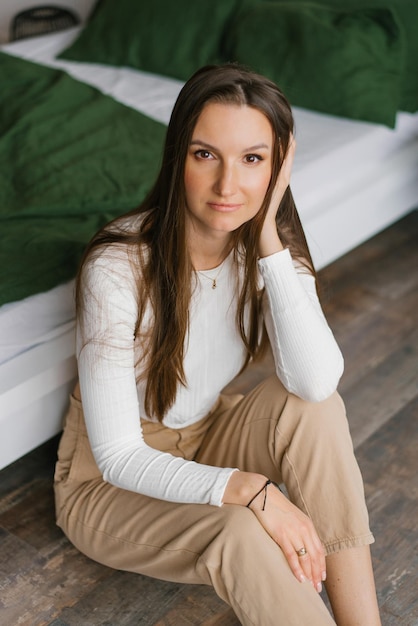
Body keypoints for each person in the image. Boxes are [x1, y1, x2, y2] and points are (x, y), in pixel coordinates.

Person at [54, 64, 382, 625]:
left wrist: (269, 241)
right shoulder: (118, 266)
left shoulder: (267, 250)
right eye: (206, 154)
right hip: (106, 484)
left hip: (206, 436)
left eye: (253, 159)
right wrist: (253, 492)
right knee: (240, 529)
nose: (228, 186)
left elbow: (316, 382)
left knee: (317, 409)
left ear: (277, 168)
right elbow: (117, 458)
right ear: (177, 155)